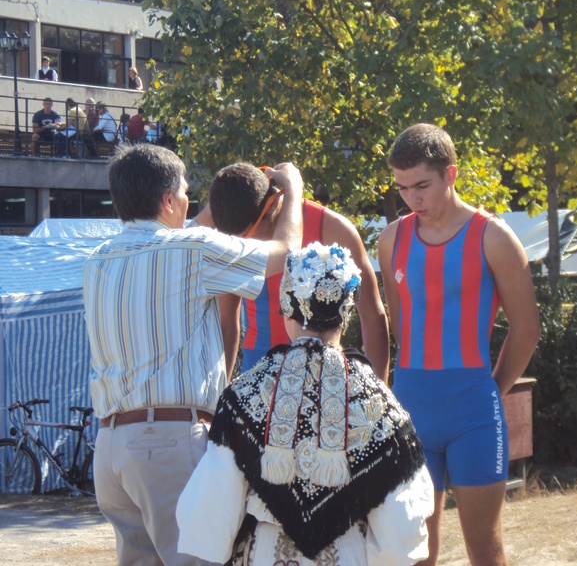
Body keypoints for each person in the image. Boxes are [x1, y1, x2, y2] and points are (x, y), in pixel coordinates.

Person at [82, 144, 304, 565]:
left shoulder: (97, 259)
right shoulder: (192, 249)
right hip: (165, 443)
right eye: (185, 193)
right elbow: (285, 252)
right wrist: (292, 190)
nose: (190, 204)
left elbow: (181, 231)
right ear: (168, 200)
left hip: (112, 446)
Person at [176, 242, 434, 565]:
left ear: (286, 308)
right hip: (350, 554)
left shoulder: (247, 391)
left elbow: (210, 512)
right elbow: (400, 523)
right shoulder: (377, 399)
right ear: (346, 313)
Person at [377, 123, 541, 565]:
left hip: (473, 413)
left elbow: (527, 330)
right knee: (415, 552)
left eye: (422, 186)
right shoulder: (391, 239)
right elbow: (400, 324)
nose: (412, 198)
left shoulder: (494, 237)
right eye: (402, 187)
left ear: (451, 174)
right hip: (411, 409)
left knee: (484, 548)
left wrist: (490, 390)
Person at [199, 162, 390, 381]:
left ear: (272, 206)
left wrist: (378, 388)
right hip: (257, 368)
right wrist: (220, 390)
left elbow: (372, 314)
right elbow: (226, 322)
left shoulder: (333, 228)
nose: (243, 245)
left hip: (320, 372)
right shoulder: (228, 231)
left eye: (247, 236)